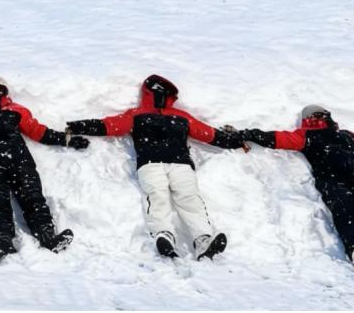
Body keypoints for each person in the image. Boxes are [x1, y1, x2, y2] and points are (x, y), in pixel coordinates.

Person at [66, 74, 244, 260]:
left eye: (164, 92)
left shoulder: (182, 116)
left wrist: (236, 140)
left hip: (181, 164)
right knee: (157, 197)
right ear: (148, 92)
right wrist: (79, 126)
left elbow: (209, 134)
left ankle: (203, 240)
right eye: (157, 91)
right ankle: (164, 235)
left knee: (190, 198)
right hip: (150, 164)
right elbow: (111, 125)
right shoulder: (136, 115)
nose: (161, 95)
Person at [0, 75, 90, 260]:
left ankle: (48, 237)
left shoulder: (16, 110)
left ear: (6, 92)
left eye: (0, 88)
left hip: (20, 161)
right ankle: (3, 241)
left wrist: (68, 140)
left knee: (34, 199)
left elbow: (39, 132)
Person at [239, 105, 354, 266]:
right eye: (316, 115)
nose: (321, 117)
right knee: (344, 211)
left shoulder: (345, 136)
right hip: (332, 180)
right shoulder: (306, 136)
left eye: (323, 115)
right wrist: (251, 134)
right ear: (308, 119)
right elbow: (278, 138)